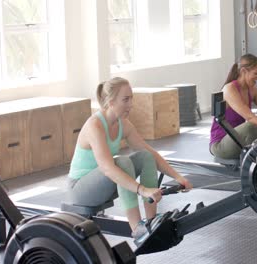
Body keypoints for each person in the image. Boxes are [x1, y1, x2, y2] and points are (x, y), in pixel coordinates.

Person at [66, 77, 193, 238]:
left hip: (104, 184)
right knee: (121, 161)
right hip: (80, 189)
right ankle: (137, 228)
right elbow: (107, 168)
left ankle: (151, 220)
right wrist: (143, 190)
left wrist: (179, 177)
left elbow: (151, 153)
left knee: (145, 157)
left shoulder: (123, 124)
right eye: (125, 99)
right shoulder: (95, 125)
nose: (131, 104)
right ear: (110, 102)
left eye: (131, 99)